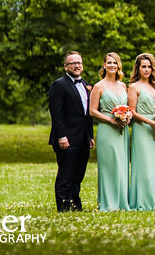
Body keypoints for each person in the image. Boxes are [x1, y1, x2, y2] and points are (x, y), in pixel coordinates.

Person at [48, 51, 94, 212]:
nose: (76, 65)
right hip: (66, 139)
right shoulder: (59, 85)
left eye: (79, 63)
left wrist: (90, 136)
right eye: (72, 63)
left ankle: (75, 204)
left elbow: (88, 114)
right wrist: (62, 136)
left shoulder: (87, 85)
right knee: (65, 174)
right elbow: (56, 114)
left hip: (83, 139)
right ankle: (63, 206)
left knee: (78, 174)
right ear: (66, 66)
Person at [89, 51, 130, 211]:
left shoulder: (123, 85)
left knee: (121, 165)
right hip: (107, 129)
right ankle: (107, 203)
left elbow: (127, 107)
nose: (112, 65)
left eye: (115, 63)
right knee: (108, 165)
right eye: (109, 63)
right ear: (104, 65)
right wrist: (111, 120)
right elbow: (92, 111)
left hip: (122, 131)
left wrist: (126, 117)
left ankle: (121, 202)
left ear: (118, 65)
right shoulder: (99, 86)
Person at [128, 52, 155, 211]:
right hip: (142, 128)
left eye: (149, 67)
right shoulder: (134, 87)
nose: (147, 69)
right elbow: (132, 112)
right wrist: (150, 122)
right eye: (144, 66)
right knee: (144, 165)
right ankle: (143, 201)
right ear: (138, 68)